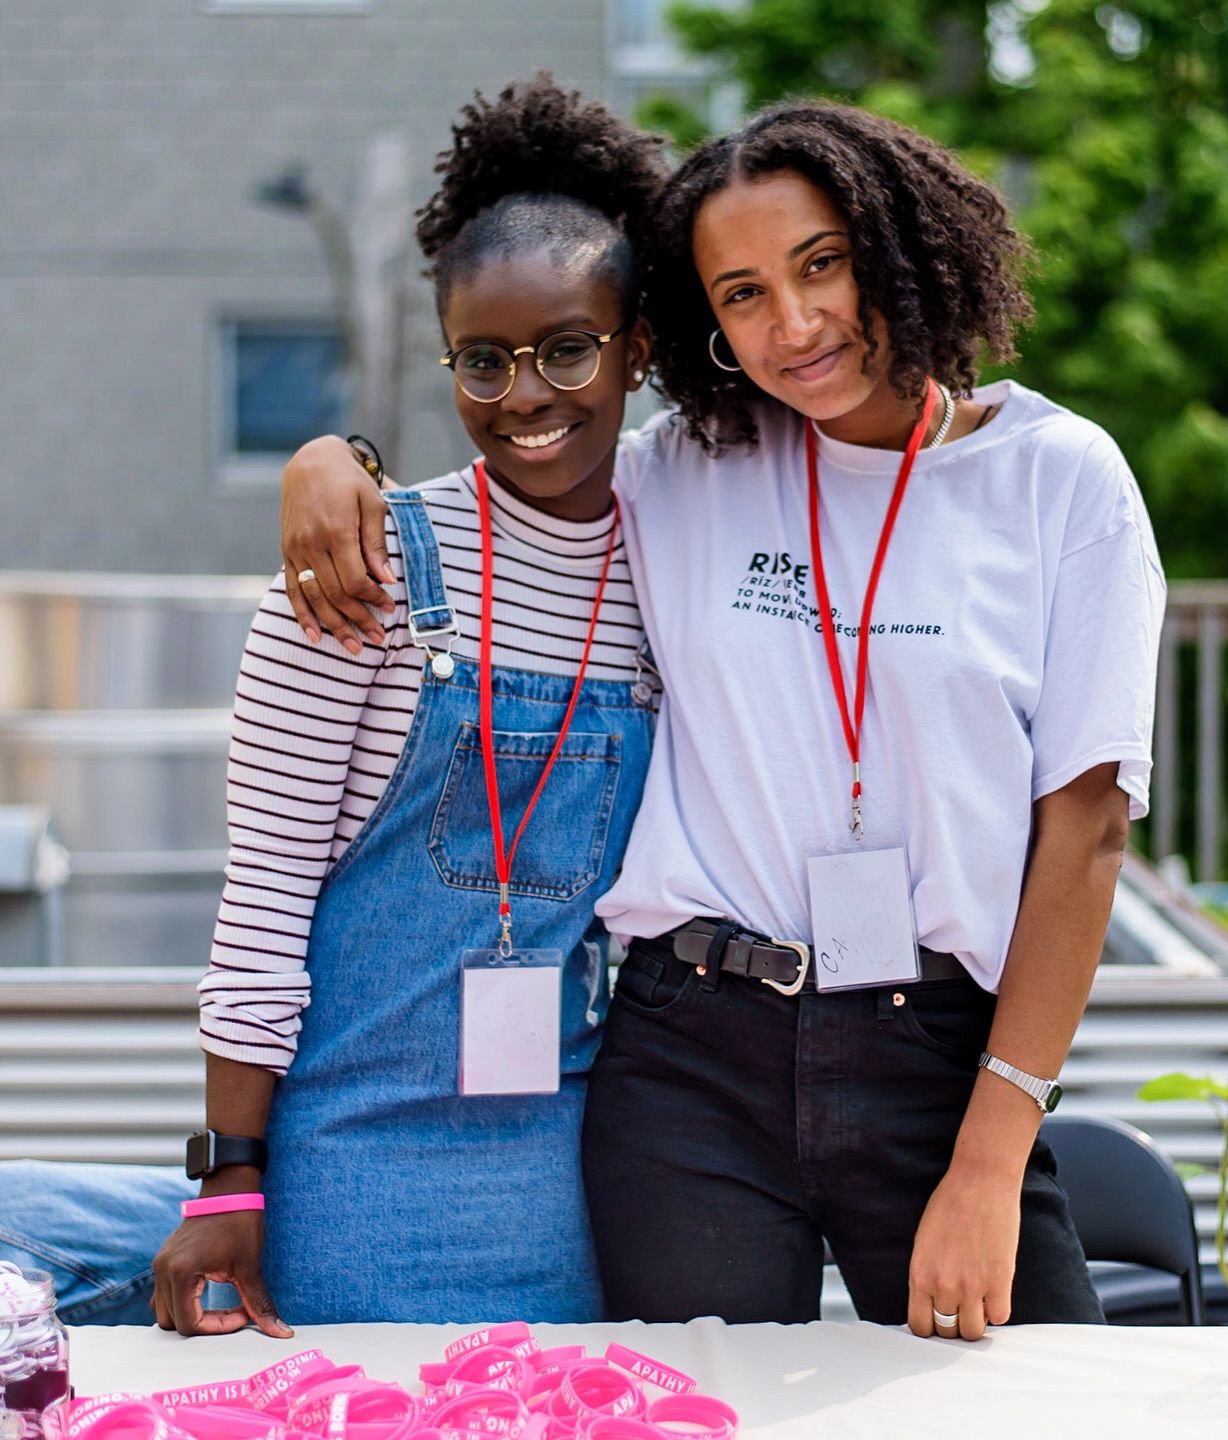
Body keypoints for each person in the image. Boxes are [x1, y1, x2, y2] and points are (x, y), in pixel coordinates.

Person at [280, 100, 1165, 1343]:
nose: (792, 325)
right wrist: (334, 459)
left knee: (1035, 1403)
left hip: (936, 1056)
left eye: (821, 265)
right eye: (742, 294)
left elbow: (1086, 834)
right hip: (690, 1052)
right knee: (696, 1418)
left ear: (895, 245)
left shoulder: (1061, 482)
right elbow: (522, 453)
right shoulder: (684, 463)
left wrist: (988, 1161)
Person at [148, 75, 660, 1334]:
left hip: (576, 1164)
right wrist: (230, 1179)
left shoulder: (678, 562)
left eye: (568, 349)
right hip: (354, 1158)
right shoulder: (357, 571)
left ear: (638, 349)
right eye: (483, 360)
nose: (524, 396)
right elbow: (261, 905)